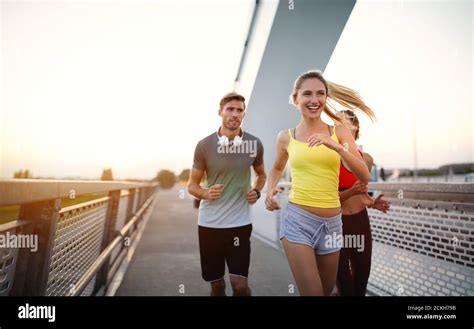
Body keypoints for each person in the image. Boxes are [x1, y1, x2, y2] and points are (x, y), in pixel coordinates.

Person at [265, 70, 374, 296]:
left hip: (333, 225)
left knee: (325, 292)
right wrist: (269, 191)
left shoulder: (340, 132)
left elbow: (364, 175)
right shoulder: (285, 137)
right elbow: (276, 167)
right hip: (298, 222)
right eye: (307, 94)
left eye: (320, 94)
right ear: (295, 99)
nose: (314, 100)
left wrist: (335, 146)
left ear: (325, 98)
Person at [188, 92, 266, 296]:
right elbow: (192, 186)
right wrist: (205, 193)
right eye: (230, 109)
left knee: (240, 286)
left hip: (240, 225)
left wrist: (256, 191)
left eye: (240, 110)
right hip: (209, 226)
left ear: (243, 114)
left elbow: (262, 175)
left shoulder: (254, 144)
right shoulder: (204, 145)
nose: (235, 114)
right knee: (217, 286)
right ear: (220, 112)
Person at [336, 110, 390, 296]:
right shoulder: (329, 158)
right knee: (344, 285)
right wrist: (350, 192)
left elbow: (361, 193)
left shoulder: (366, 159)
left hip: (360, 223)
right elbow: (326, 200)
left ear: (355, 127)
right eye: (337, 124)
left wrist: (371, 202)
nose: (340, 127)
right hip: (336, 225)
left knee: (360, 283)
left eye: (345, 123)